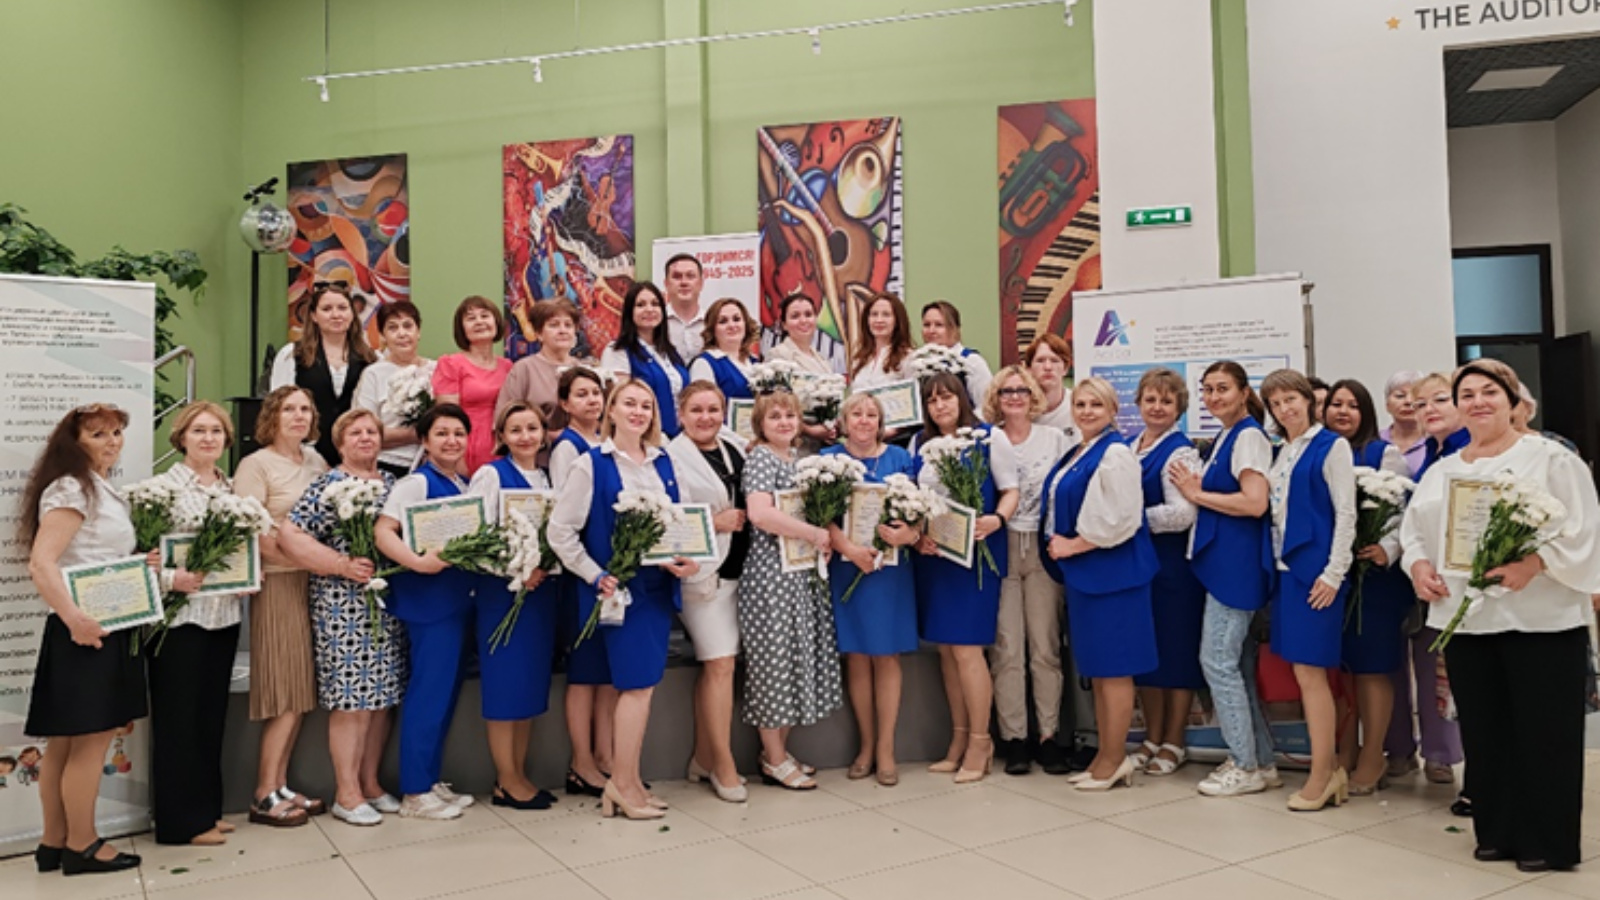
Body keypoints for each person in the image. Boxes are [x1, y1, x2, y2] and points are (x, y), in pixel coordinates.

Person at [1401, 359, 1600, 872]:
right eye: (1466, 394)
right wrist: (1418, 565)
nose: (1477, 402)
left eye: (1489, 391)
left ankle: (1547, 841)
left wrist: (1534, 563)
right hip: (1468, 621)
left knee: (1544, 732)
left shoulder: (1551, 460)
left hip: (1541, 620)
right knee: (1486, 731)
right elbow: (1414, 532)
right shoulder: (1443, 470)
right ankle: (1497, 830)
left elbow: (1584, 529)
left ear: (1514, 402)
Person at [547, 378, 701, 819]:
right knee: (636, 688)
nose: (638, 412)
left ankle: (628, 780)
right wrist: (595, 575)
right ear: (610, 410)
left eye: (646, 406)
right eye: (629, 403)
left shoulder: (666, 462)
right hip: (620, 595)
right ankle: (621, 784)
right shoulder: (590, 464)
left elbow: (684, 523)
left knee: (639, 688)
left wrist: (688, 560)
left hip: (656, 591)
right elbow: (560, 531)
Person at [21, 404, 145, 875]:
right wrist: (76, 620)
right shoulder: (72, 488)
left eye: (116, 432)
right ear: (74, 443)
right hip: (87, 629)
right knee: (89, 745)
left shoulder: (95, 485)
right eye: (98, 434)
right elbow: (42, 563)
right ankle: (83, 844)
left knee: (64, 744)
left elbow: (93, 555)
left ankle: (53, 842)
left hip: (89, 625)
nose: (112, 441)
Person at [277, 409, 406, 826]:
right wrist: (340, 563)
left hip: (386, 603)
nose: (365, 438)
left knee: (382, 698)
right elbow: (290, 534)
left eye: (372, 432)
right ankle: (346, 794)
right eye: (355, 433)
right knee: (352, 700)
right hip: (342, 603)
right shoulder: (329, 485)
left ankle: (370, 783)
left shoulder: (392, 483)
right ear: (340, 442)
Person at [1041, 378, 1159, 792]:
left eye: (1096, 405)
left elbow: (1120, 519)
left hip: (1114, 578)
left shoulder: (1116, 454)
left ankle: (1114, 759)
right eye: (1081, 404)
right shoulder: (1080, 450)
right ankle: (1105, 756)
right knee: (1100, 671)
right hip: (1088, 579)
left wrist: (1073, 545)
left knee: (1116, 670)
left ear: (1112, 410)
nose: (1087, 411)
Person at [1168, 361, 1279, 798]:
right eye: (1208, 390)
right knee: (1238, 667)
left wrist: (1196, 494)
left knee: (1217, 661)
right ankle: (1262, 760)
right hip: (1227, 566)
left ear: (1244, 392)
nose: (1214, 397)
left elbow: (1254, 503)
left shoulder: (1248, 437)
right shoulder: (1227, 436)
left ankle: (1244, 764)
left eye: (1223, 389)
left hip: (1237, 568)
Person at [372, 404, 481, 820]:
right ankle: (415, 791)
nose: (451, 441)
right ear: (424, 440)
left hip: (457, 600)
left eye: (458, 433)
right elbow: (384, 531)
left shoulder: (462, 483)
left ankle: (430, 778)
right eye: (441, 433)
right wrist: (417, 563)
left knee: (446, 695)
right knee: (428, 694)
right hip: (430, 604)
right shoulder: (416, 483)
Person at [145, 403, 245, 845]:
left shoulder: (230, 488)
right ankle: (178, 823)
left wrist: (247, 576)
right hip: (179, 620)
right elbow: (140, 560)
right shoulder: (160, 490)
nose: (208, 438)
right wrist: (172, 579)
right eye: (199, 430)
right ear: (181, 437)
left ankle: (207, 811)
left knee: (210, 717)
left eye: (216, 431)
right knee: (178, 721)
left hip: (223, 616)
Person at [912, 373, 1018, 783]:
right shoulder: (920, 444)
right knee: (947, 651)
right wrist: (919, 536)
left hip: (976, 556)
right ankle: (957, 739)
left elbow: (1011, 489)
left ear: (961, 398)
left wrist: (997, 519)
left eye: (947, 397)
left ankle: (980, 741)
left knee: (967, 650)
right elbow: (918, 502)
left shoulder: (989, 437)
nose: (940, 406)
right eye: (932, 400)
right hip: (936, 559)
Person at [233, 385, 331, 825]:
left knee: (301, 691)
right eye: (289, 409)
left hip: (315, 583)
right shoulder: (255, 465)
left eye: (305, 409)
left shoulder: (316, 461)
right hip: (278, 582)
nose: (298, 416)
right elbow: (252, 531)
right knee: (284, 691)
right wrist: (309, 559)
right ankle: (263, 793)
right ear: (272, 416)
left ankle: (282, 783)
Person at [1260, 370, 1356, 811]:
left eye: (1290, 399)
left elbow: (1345, 514)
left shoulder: (1331, 446)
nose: (1285, 409)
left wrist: (1334, 574)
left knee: (1313, 675)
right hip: (1287, 573)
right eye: (1276, 403)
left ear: (1308, 400)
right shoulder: (1283, 450)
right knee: (1302, 673)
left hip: (1316, 575)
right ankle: (1329, 767)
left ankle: (1324, 774)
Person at [738, 390, 842, 790]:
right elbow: (760, 514)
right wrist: (813, 533)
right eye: (774, 416)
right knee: (774, 664)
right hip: (771, 576)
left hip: (799, 572)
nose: (783, 422)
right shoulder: (761, 458)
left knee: (794, 660)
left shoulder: (798, 460)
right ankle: (775, 758)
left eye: (790, 415)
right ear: (760, 424)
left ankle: (776, 752)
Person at [467, 402, 561, 810]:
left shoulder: (547, 477)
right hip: (502, 595)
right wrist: (518, 571)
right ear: (501, 436)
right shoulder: (491, 475)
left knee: (527, 689)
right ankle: (505, 779)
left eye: (532, 428)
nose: (525, 436)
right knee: (505, 689)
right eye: (516, 429)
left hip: (540, 594)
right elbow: (477, 537)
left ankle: (519, 773)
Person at [824, 393, 921, 786]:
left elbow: (919, 512)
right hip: (847, 565)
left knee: (886, 655)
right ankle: (865, 744)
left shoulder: (899, 458)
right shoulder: (828, 459)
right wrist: (849, 549)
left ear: (881, 423)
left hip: (889, 572)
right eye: (856, 414)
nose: (863, 420)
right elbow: (819, 516)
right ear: (843, 421)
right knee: (858, 657)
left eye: (871, 415)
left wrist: (909, 534)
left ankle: (886, 749)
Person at [1322, 379, 1412, 795]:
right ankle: (1346, 750)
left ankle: (1374, 754)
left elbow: (1404, 512)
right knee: (1339, 669)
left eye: (1353, 405)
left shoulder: (1383, 454)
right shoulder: (1319, 452)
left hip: (1374, 578)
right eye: (1336, 404)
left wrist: (1386, 548)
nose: (1343, 411)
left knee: (1371, 667)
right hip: (1331, 576)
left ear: (1366, 413)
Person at [988, 365, 1076, 776]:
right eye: (1006, 391)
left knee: (1045, 646)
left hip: (1042, 548)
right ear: (996, 398)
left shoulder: (1054, 438)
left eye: (1021, 390)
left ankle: (1049, 736)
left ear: (1033, 396)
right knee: (1007, 648)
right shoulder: (987, 439)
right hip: (1001, 547)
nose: (1014, 397)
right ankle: (1015, 738)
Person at [666, 383, 749, 801]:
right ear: (680, 415)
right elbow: (665, 516)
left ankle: (702, 757)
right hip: (702, 577)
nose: (705, 417)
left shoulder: (734, 448)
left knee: (719, 666)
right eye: (696, 410)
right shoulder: (670, 457)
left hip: (739, 573)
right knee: (720, 665)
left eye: (713, 409)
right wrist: (715, 523)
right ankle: (723, 764)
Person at [1385, 371, 1465, 786]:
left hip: (1455, 580)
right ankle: (1409, 749)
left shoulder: (1466, 449)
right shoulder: (1436, 450)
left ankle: (1442, 754)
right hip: (1415, 573)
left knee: (1440, 670)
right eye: (1421, 404)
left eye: (1439, 400)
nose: (1427, 410)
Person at [1125, 369, 1205, 777]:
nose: (1157, 407)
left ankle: (1174, 740)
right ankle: (1151, 737)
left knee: (1176, 655)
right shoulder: (1129, 446)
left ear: (1179, 408)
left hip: (1173, 569)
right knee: (1147, 655)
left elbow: (1182, 514)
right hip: (1139, 567)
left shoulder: (1180, 453)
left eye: (1166, 401)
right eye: (1150, 399)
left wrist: (1129, 520)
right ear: (1139, 403)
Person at [547, 366, 617, 798]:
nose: (592, 400)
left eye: (597, 393)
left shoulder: (608, 444)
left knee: (607, 673)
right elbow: (566, 514)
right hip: (582, 572)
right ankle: (582, 762)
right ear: (565, 403)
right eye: (582, 394)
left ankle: (607, 756)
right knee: (584, 674)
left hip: (611, 572)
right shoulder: (568, 448)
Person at [271, 284, 377, 466]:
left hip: (355, 455)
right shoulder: (292, 355)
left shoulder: (371, 358)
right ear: (314, 316)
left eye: (342, 308)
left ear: (352, 314)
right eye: (327, 309)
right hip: (305, 454)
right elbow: (278, 409)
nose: (336, 315)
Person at [432, 296, 514, 475]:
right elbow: (448, 417)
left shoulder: (508, 366)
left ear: (496, 321)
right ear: (462, 328)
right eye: (471, 318)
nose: (479, 322)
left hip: (501, 447)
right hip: (465, 447)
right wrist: (456, 460)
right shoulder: (450, 364)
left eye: (485, 316)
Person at [352, 300, 432, 478]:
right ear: (383, 336)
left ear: (418, 331)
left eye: (408, 326)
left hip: (432, 464)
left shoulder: (436, 370)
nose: (402, 333)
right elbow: (365, 431)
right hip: (388, 465)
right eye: (393, 328)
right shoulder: (373, 374)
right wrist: (417, 434)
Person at [601, 282, 690, 437]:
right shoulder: (618, 351)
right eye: (640, 305)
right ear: (629, 312)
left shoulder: (670, 352)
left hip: (679, 438)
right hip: (643, 438)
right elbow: (619, 401)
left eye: (655, 304)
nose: (649, 309)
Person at [495, 298, 589, 431]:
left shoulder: (584, 370)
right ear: (539, 334)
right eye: (554, 325)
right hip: (535, 443)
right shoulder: (524, 369)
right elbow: (504, 418)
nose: (562, 330)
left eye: (568, 325)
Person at [920, 300, 994, 417]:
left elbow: (986, 406)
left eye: (939, 325)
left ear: (954, 328)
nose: (931, 331)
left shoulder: (971, 361)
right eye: (927, 325)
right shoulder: (918, 364)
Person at [688, 299, 758, 403]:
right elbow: (702, 405)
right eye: (723, 321)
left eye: (736, 319)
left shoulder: (755, 362)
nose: (732, 325)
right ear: (713, 329)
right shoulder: (704, 363)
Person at [766, 292, 846, 378]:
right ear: (784, 325)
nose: (803, 321)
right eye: (795, 316)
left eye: (808, 315)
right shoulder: (777, 355)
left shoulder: (821, 359)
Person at [848, 293, 915, 390]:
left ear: (897, 321)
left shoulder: (908, 357)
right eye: (874, 314)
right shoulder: (858, 359)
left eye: (886, 315)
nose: (879, 320)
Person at [1024, 334, 1077, 434]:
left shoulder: (1079, 406)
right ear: (1029, 369)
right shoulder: (1019, 408)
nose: (1048, 367)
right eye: (1040, 361)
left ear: (1065, 368)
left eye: (1054, 361)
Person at [1378, 370, 1427, 477]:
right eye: (1400, 396)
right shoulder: (1375, 439)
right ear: (1387, 405)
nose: (1408, 401)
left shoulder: (1435, 442)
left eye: (1415, 396)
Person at [663, 252, 707, 362]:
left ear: (701, 283)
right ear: (666, 284)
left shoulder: (712, 323)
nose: (684, 282)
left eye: (690, 276)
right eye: (677, 277)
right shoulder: (657, 323)